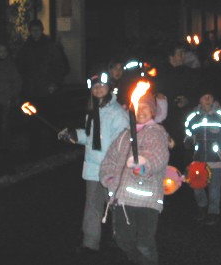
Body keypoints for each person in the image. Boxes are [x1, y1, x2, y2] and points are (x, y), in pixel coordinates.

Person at [57, 69, 129, 257]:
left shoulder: (117, 113)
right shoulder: (93, 112)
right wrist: (74, 135)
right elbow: (91, 137)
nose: (98, 89)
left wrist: (115, 167)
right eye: (95, 87)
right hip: (92, 168)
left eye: (102, 86)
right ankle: (90, 242)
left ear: (110, 89)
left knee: (115, 205)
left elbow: (121, 142)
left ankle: (121, 239)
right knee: (92, 206)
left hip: (110, 169)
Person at [100, 92, 169, 265]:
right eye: (138, 108)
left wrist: (143, 165)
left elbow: (157, 155)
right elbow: (110, 159)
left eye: (146, 108)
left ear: (153, 112)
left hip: (146, 199)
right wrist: (108, 178)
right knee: (123, 240)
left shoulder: (156, 133)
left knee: (144, 243)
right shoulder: (124, 135)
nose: (141, 111)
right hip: (123, 199)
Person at [184, 87, 221, 226]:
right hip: (199, 158)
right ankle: (202, 206)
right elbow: (188, 132)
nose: (207, 98)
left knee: (214, 188)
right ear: (199, 100)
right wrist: (189, 141)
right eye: (204, 96)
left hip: (217, 158)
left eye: (210, 96)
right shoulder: (193, 116)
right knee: (197, 185)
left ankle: (213, 211)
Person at [16, 19, 69, 152]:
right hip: (32, 90)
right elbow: (21, 68)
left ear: (41, 30)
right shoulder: (25, 48)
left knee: (52, 118)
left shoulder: (50, 46)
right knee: (34, 120)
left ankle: (55, 144)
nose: (35, 33)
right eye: (33, 30)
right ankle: (35, 147)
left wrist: (55, 83)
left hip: (48, 90)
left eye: (37, 30)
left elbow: (59, 66)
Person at [156, 39, 200, 171]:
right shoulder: (162, 73)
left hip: (183, 118)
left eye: (183, 53)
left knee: (181, 152)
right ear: (171, 56)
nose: (182, 57)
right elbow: (157, 92)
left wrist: (188, 100)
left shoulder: (189, 73)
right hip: (166, 119)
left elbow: (196, 93)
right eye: (179, 53)